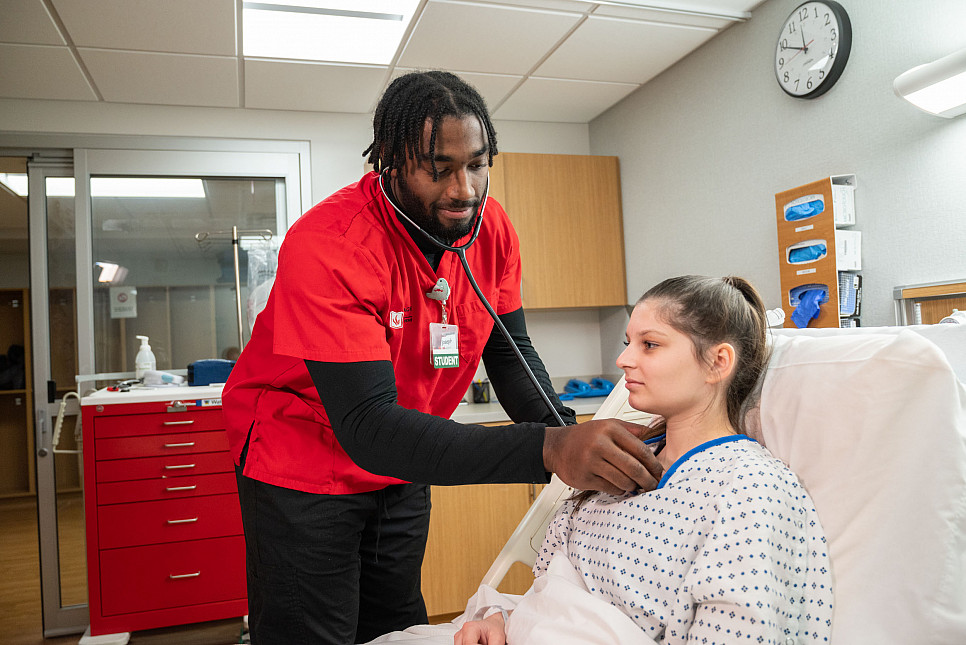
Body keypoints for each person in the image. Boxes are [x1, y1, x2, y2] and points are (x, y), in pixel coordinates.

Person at [222, 70, 663, 645]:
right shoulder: (331, 244)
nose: (464, 189)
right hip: (304, 458)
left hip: (404, 456)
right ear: (388, 161)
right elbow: (366, 425)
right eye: (439, 168)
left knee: (396, 625)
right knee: (314, 632)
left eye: (477, 164)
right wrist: (550, 449)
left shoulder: (490, 227)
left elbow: (511, 354)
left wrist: (573, 436)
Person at [454, 276, 833, 645]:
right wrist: (499, 618)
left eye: (649, 345)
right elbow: (553, 592)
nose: (622, 359)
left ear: (718, 362)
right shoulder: (617, 464)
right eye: (627, 342)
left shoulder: (748, 488)